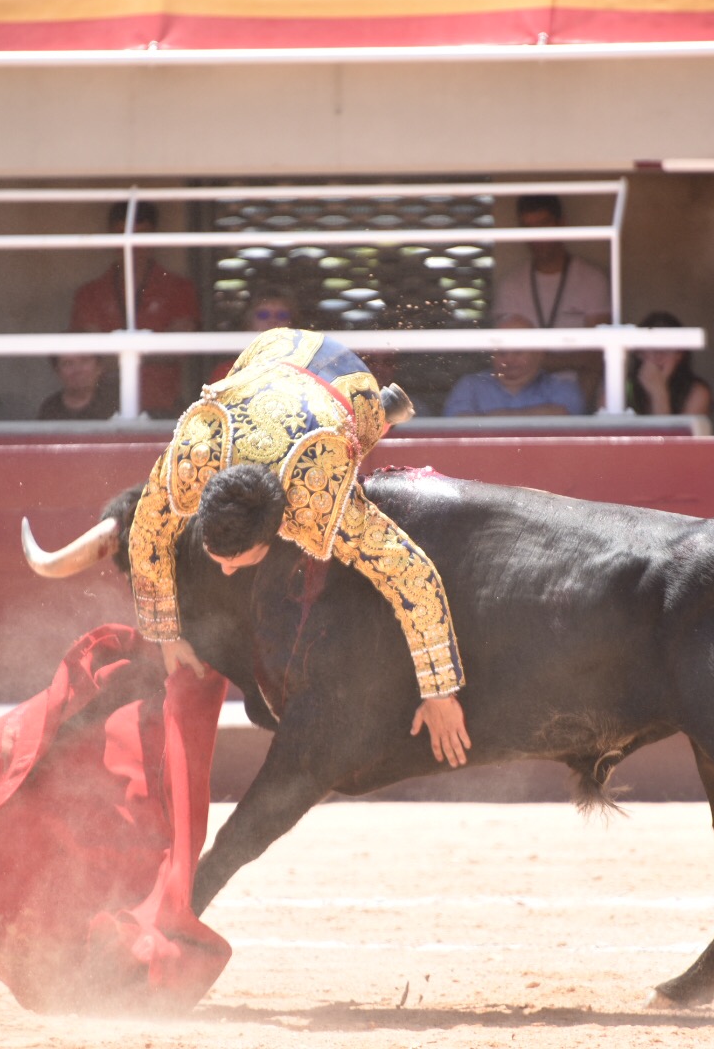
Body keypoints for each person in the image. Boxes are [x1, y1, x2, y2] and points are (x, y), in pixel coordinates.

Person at [127, 327, 471, 767]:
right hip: (273, 349)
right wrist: (166, 635)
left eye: (235, 561)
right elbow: (148, 528)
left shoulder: (318, 495)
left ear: (277, 529)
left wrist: (440, 693)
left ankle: (382, 413)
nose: (227, 572)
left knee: (355, 438)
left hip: (347, 383)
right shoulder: (195, 456)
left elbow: (412, 574)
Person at [69, 201, 200, 418]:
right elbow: (89, 357)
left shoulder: (178, 288)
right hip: (100, 406)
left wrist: (119, 352)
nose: (131, 244)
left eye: (141, 235)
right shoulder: (90, 293)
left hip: (163, 405)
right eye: (122, 234)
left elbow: (178, 349)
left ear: (153, 238)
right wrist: (151, 347)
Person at [492, 194, 614, 403]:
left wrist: (579, 411)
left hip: (580, 395)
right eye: (528, 228)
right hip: (520, 397)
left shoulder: (591, 280)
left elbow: (596, 358)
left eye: (543, 225)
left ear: (562, 224)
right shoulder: (511, 285)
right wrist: (572, 360)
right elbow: (506, 357)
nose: (536, 236)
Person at [442, 316, 588, 417]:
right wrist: (540, 414)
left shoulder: (562, 386)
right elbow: (456, 424)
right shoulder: (470, 385)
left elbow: (564, 416)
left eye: (518, 352)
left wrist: (484, 418)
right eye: (502, 352)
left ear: (539, 353)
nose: (509, 360)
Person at [629, 311, 711, 416]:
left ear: (679, 354)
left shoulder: (697, 393)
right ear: (639, 353)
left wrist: (659, 394)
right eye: (652, 347)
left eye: (667, 347)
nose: (659, 355)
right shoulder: (618, 389)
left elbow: (665, 432)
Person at [36, 353, 117, 421]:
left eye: (84, 361)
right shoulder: (50, 408)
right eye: (68, 363)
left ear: (99, 367)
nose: (77, 370)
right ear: (58, 372)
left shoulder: (116, 402)